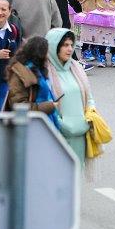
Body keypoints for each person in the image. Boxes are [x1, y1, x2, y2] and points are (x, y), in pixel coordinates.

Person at [46, 27, 94, 166]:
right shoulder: (44, 72)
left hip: (81, 133)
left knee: (76, 179)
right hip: (58, 134)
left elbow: (89, 96)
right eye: (65, 45)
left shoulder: (76, 67)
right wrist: (63, 125)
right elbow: (46, 103)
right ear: (54, 47)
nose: (69, 49)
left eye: (71, 45)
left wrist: (89, 117)